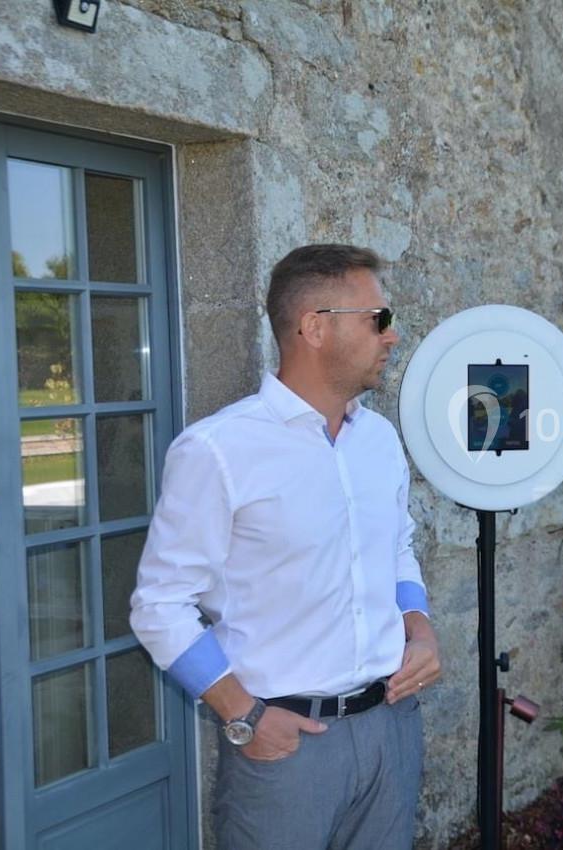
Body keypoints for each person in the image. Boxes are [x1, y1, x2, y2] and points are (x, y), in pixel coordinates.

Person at [131, 244, 440, 850]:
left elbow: (397, 548)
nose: (392, 335)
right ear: (315, 327)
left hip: (391, 730)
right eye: (377, 318)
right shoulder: (218, 450)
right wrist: (244, 716)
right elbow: (159, 606)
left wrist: (420, 629)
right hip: (286, 750)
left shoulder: (378, 439)